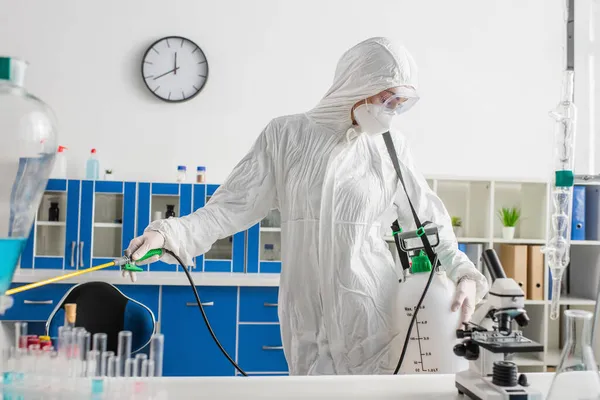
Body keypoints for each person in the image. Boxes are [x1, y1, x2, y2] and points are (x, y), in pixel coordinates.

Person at [125, 37, 489, 375]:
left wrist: (465, 274)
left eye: (399, 103)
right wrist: (167, 234)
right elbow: (229, 207)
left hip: (374, 318)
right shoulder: (286, 136)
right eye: (386, 98)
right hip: (306, 325)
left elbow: (428, 222)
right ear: (358, 83)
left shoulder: (390, 147)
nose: (391, 111)